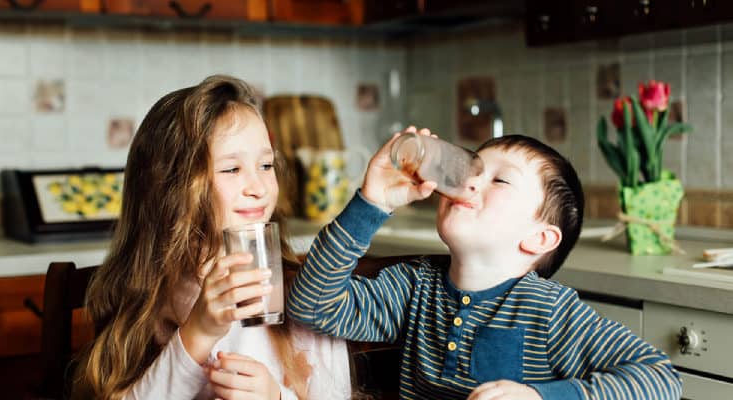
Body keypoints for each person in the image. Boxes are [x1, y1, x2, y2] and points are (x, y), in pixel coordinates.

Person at [287, 128, 682, 400]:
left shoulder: (549, 311)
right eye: (471, 169)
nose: (469, 182)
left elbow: (660, 378)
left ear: (539, 239)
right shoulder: (412, 287)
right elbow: (312, 305)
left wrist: (538, 395)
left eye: (500, 180)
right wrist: (372, 202)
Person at [71, 75, 351, 400]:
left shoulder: (308, 297)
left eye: (266, 165)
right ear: (170, 187)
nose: (258, 188)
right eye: (232, 170)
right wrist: (198, 332)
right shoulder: (147, 297)